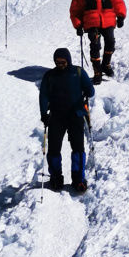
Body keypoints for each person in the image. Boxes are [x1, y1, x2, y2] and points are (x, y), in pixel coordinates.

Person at [39, 46, 94, 193]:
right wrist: (44, 113)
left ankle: (78, 179)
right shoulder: (50, 76)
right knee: (53, 149)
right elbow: (43, 95)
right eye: (57, 62)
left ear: (68, 60)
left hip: (75, 115)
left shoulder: (78, 72)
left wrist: (87, 90)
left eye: (63, 62)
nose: (60, 65)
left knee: (78, 148)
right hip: (56, 116)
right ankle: (56, 178)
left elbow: (91, 90)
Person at [69, 0, 127, 80]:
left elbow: (118, 2)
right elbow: (75, 11)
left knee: (110, 42)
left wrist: (121, 16)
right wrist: (78, 25)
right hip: (91, 24)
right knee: (95, 46)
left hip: (108, 21)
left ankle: (106, 65)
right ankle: (97, 72)